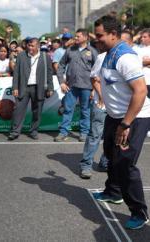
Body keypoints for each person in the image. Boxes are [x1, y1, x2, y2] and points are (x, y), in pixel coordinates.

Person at [93, 15, 150, 230]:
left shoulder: (125, 57)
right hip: (114, 115)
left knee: (125, 164)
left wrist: (125, 124)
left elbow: (141, 91)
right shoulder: (108, 53)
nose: (96, 39)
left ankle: (139, 211)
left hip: (134, 117)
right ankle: (113, 192)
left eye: (100, 36)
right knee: (110, 154)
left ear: (113, 35)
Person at [55, 29, 98, 142]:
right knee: (68, 109)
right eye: (75, 36)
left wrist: (95, 89)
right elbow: (61, 66)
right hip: (71, 86)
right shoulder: (70, 50)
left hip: (87, 86)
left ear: (85, 37)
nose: (75, 38)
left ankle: (84, 133)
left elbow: (98, 70)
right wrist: (62, 82)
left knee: (85, 110)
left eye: (78, 36)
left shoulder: (92, 51)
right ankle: (63, 132)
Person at [8, 38, 53, 140]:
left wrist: (50, 88)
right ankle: (15, 131)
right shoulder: (21, 56)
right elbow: (16, 73)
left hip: (39, 87)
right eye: (29, 45)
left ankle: (33, 131)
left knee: (37, 111)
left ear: (38, 46)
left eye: (32, 46)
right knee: (18, 110)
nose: (30, 48)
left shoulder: (45, 57)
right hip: (24, 87)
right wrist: (15, 87)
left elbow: (49, 73)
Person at [78, 43, 108, 179]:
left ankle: (105, 162)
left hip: (118, 107)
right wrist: (101, 96)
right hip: (101, 105)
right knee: (95, 135)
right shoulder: (102, 57)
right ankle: (86, 165)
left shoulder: (128, 57)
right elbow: (94, 78)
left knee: (111, 137)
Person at [133, 29, 150, 137]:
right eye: (141, 37)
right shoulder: (136, 48)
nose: (142, 38)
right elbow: (135, 62)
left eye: (145, 37)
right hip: (142, 82)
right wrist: (144, 62)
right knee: (142, 105)